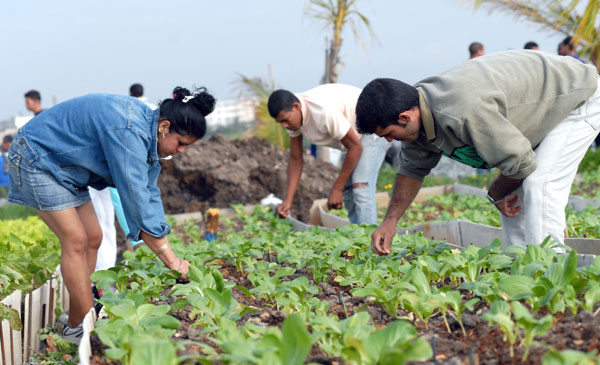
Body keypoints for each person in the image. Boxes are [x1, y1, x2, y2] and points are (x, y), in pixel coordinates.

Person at [6, 86, 215, 343]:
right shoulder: (130, 132)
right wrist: (171, 261)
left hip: (65, 167)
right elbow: (135, 201)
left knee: (94, 236)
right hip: (36, 157)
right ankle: (82, 325)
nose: (182, 150)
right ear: (164, 127)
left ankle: (75, 322)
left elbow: (149, 194)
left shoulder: (146, 137)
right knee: (75, 240)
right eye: (181, 143)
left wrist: (169, 249)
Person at [354, 50, 600, 255]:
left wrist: (494, 192)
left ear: (405, 117)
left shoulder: (462, 112)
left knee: (539, 184)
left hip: (577, 98)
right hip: (540, 109)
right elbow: (411, 170)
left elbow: (522, 164)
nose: (388, 141)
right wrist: (390, 221)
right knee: (514, 192)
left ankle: (551, 273)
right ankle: (524, 269)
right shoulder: (417, 117)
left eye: (387, 133)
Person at [268, 84, 390, 225]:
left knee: (360, 185)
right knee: (348, 190)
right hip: (356, 137)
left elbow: (355, 147)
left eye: (285, 120)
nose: (284, 126)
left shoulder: (321, 112)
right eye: (280, 122)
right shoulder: (292, 119)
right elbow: (295, 159)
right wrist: (288, 200)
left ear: (296, 106)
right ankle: (360, 236)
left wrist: (336, 189)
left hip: (375, 124)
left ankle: (370, 240)